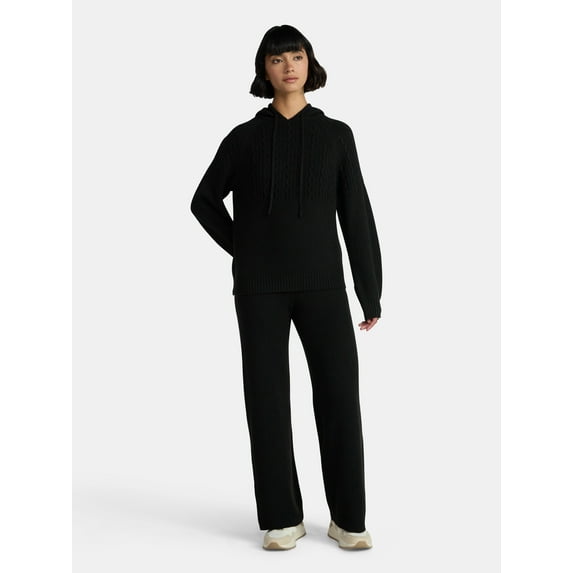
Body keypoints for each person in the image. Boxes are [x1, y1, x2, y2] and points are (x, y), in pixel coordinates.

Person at [190, 24, 382, 551]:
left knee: (340, 398)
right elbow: (203, 200)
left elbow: (357, 215)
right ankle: (281, 518)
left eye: (295, 56)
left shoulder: (336, 135)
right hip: (259, 290)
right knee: (267, 401)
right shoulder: (243, 139)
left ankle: (349, 519)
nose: (288, 66)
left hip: (324, 286)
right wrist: (245, 248)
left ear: (309, 64)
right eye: (277, 59)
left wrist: (369, 291)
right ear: (265, 70)